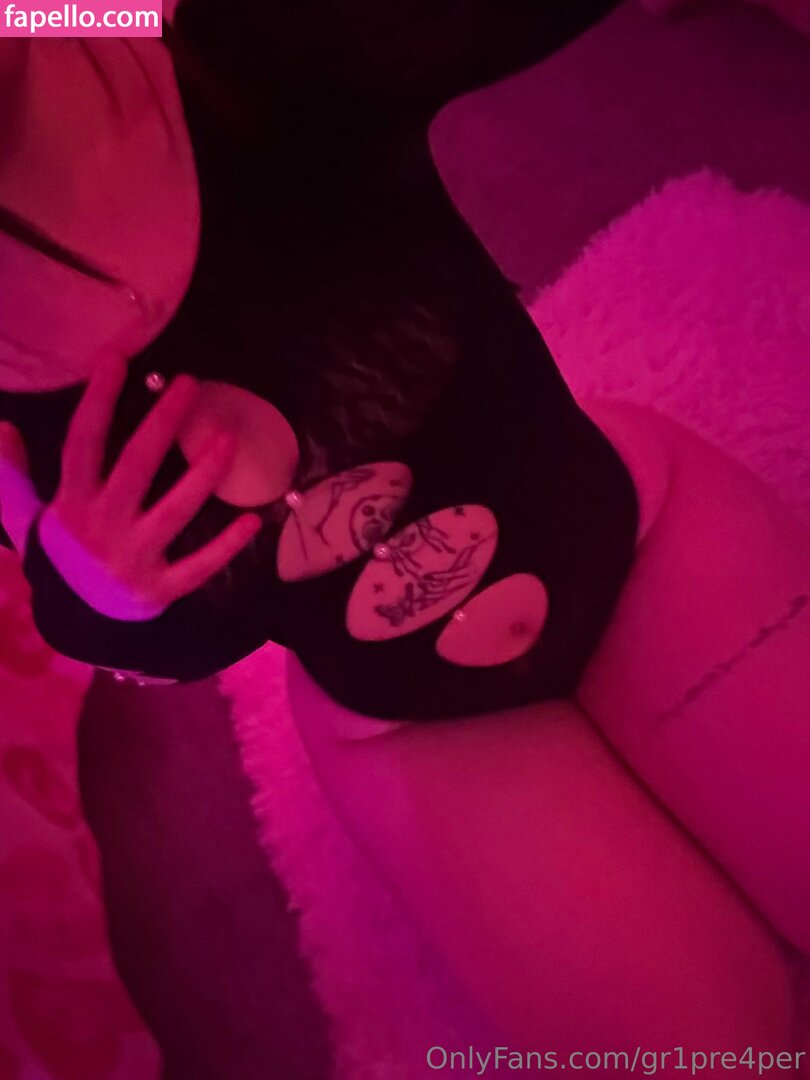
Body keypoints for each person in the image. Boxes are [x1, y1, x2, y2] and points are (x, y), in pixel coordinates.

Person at [0, 1, 808, 1068]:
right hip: (409, 720)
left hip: (628, 533)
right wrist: (100, 589)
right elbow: (140, 627)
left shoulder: (219, 35)